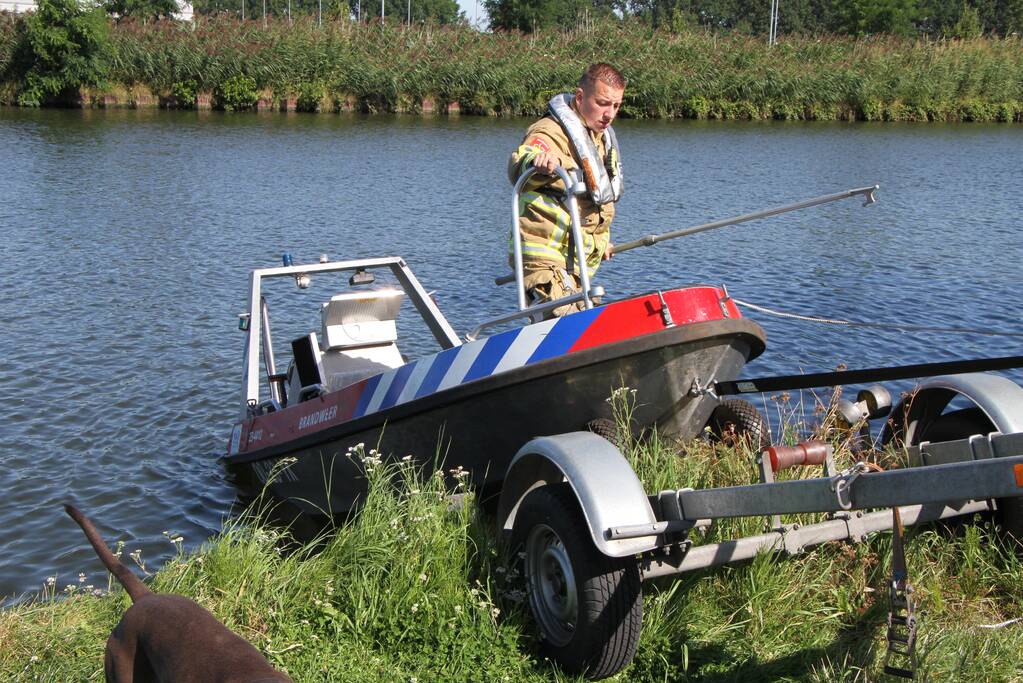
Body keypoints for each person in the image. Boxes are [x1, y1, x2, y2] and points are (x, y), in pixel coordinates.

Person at [508, 62, 626, 318]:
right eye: (603, 103)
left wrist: (601, 241)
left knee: (588, 325)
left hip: (575, 264)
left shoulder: (598, 136)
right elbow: (519, 164)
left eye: (616, 105)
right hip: (545, 260)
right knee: (570, 328)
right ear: (581, 97)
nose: (609, 114)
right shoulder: (549, 132)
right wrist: (538, 163)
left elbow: (593, 201)